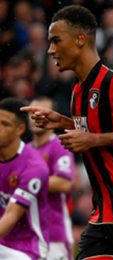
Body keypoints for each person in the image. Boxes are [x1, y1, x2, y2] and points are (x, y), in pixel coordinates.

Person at [21, 5, 113, 260]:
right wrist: (63, 122)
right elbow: (98, 128)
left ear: (80, 39)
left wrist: (92, 140)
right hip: (104, 217)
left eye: (56, 40)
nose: (50, 50)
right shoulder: (78, 92)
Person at [0, 97, 49, 260]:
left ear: (20, 129)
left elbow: (11, 215)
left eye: (4, 124)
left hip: (27, 248)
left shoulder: (33, 166)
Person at [28, 96, 74, 260]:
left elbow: (64, 183)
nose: (36, 117)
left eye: (42, 112)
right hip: (28, 236)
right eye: (32, 113)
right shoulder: (25, 151)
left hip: (54, 234)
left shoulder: (60, 145)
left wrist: (26, 183)